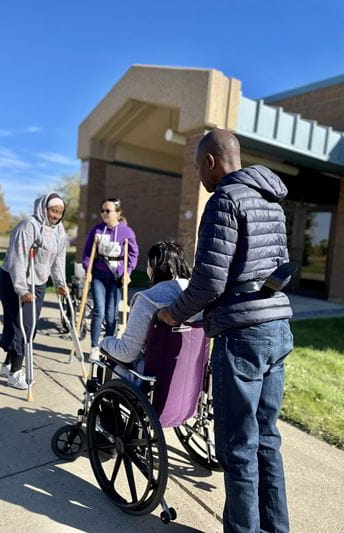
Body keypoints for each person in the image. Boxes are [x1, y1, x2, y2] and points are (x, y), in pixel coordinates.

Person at [159, 129, 293, 533]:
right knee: (267, 440)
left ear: (210, 162)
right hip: (278, 327)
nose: (200, 176)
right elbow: (280, 266)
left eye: (199, 166)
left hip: (242, 335)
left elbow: (208, 283)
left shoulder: (224, 200)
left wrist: (171, 314)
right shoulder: (271, 199)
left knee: (238, 446)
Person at [0, 192, 68, 390]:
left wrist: (60, 283)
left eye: (60, 212)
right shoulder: (29, 225)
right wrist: (21, 288)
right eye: (53, 210)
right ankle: (15, 374)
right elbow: (17, 258)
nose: (56, 215)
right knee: (25, 326)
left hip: (37, 283)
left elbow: (57, 260)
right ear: (44, 208)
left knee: (23, 325)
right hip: (15, 279)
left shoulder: (59, 231)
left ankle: (7, 365)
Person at [100, 240, 197, 369]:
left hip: (151, 377)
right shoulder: (198, 297)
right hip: (191, 378)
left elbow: (126, 353)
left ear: (153, 266)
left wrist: (105, 342)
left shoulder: (147, 300)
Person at [82, 197, 139, 361]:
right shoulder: (97, 230)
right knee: (99, 310)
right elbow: (87, 252)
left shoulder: (126, 232)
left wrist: (128, 272)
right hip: (99, 275)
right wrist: (88, 269)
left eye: (108, 211)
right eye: (102, 211)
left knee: (111, 314)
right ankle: (94, 347)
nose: (104, 214)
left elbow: (133, 255)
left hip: (116, 277)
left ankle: (107, 345)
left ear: (118, 212)